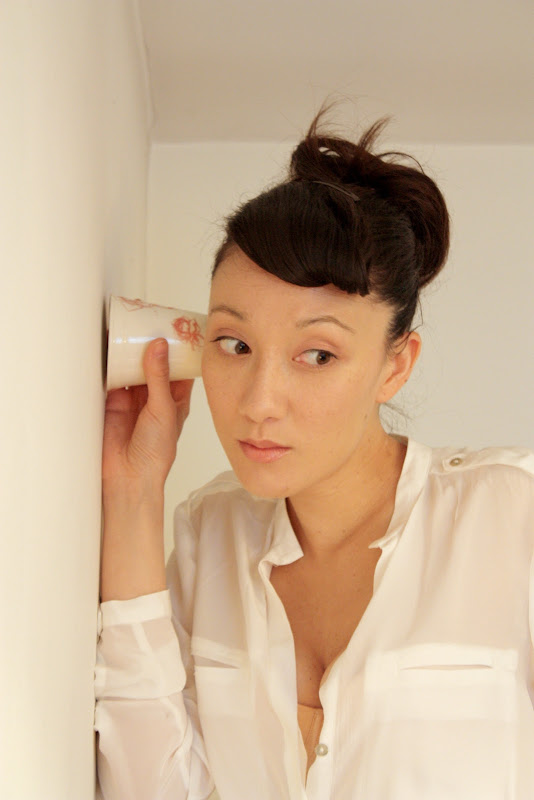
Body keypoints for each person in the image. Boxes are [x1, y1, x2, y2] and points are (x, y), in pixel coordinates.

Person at [94, 106, 534, 800]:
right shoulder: (210, 534)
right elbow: (149, 789)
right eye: (235, 344)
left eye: (318, 354)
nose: (260, 400)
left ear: (395, 365)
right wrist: (134, 492)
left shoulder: (512, 516)